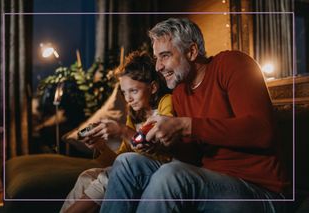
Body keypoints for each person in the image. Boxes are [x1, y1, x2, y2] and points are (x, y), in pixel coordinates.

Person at [100, 18, 289, 213]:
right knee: (127, 162)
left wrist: (186, 125)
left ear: (191, 51)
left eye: (165, 56)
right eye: (157, 58)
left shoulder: (232, 63)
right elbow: (193, 156)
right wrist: (164, 144)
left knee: (172, 174)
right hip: (207, 179)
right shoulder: (181, 92)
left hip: (260, 190)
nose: (158, 67)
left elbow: (262, 131)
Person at [60, 51, 174, 213]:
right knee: (87, 176)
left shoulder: (165, 103)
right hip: (132, 169)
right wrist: (100, 147)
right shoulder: (135, 115)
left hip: (159, 168)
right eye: (124, 92)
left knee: (107, 178)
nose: (128, 98)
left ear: (153, 87)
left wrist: (122, 131)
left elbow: (162, 150)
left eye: (133, 91)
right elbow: (118, 161)